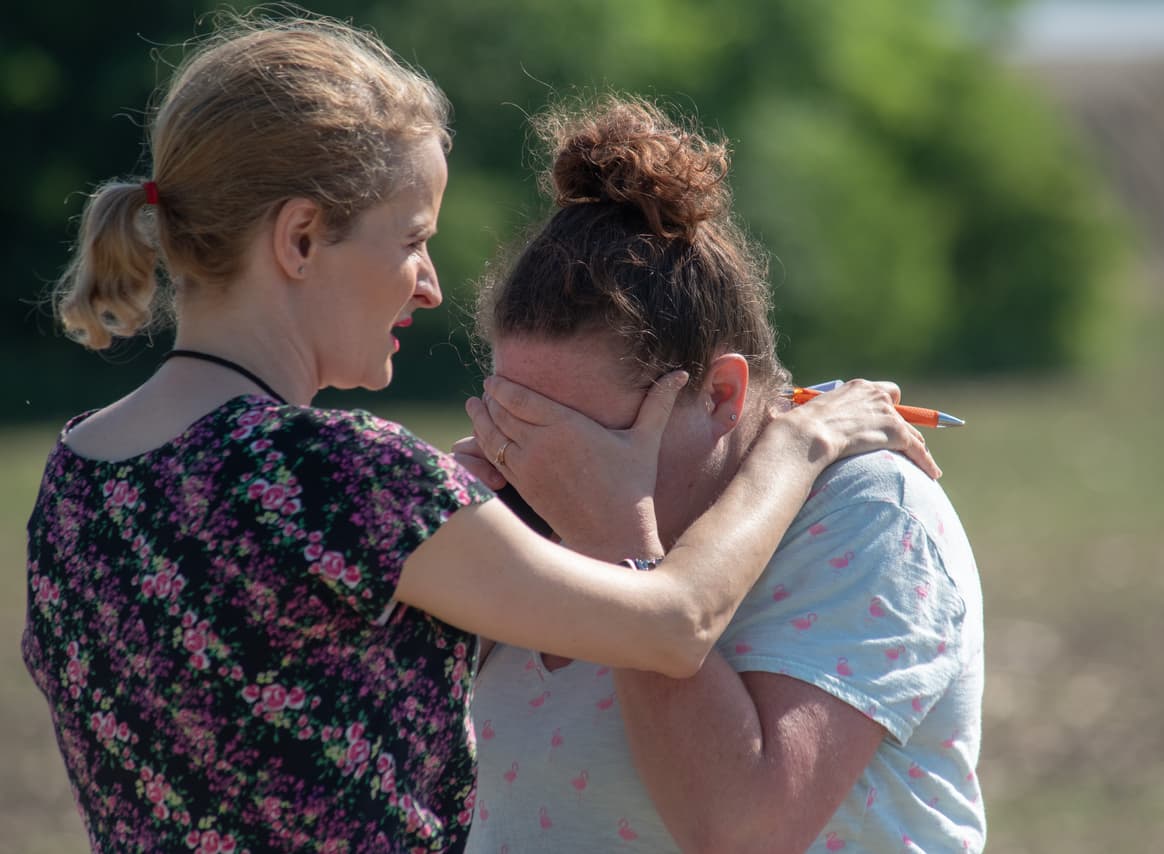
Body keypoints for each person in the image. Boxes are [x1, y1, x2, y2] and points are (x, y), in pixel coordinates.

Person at [20, 15, 938, 854]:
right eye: (412, 238)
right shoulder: (350, 477)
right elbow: (678, 622)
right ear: (300, 240)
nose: (428, 285)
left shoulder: (76, 475)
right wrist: (802, 443)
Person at [456, 97, 985, 853]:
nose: (535, 464)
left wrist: (615, 541)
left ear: (722, 395)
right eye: (514, 420)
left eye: (580, 435)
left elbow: (741, 830)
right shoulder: (508, 504)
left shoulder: (872, 509)